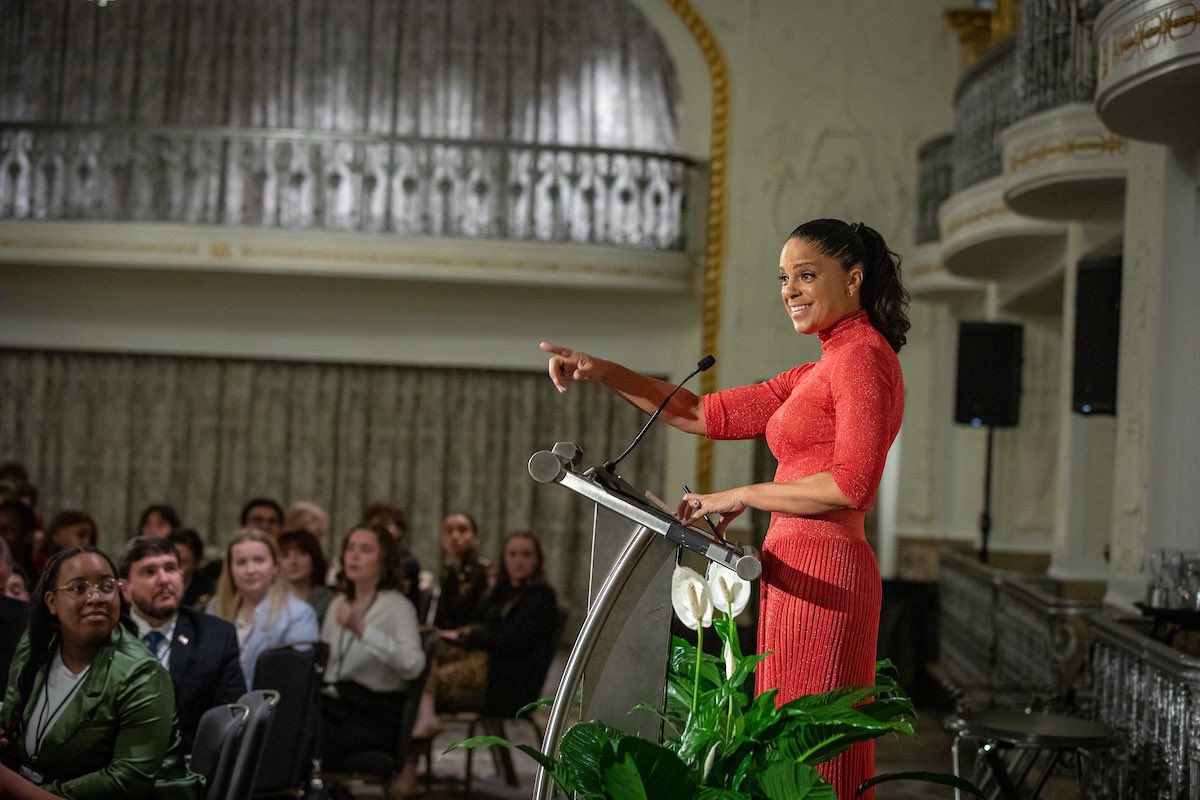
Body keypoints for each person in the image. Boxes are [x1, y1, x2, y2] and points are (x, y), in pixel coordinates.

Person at [541, 218, 908, 799]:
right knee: (785, 758)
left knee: (813, 764)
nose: (789, 290)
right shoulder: (819, 369)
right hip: (792, 573)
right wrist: (602, 370)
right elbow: (697, 413)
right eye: (783, 278)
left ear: (853, 278)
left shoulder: (862, 357)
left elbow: (851, 486)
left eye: (805, 275)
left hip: (827, 575)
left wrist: (742, 493)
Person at [0, 547, 202, 798]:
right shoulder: (35, 644)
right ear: (52, 602)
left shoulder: (143, 674)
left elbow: (126, 780)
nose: (95, 597)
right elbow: (10, 719)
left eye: (107, 586)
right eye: (79, 588)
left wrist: (19, 788)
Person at [413, 530, 559, 735]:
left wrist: (473, 634)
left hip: (505, 681)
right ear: (504, 558)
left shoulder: (541, 596)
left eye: (526, 555)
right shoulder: (502, 589)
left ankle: (422, 723)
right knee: (425, 650)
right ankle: (424, 719)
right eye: (512, 554)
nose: (518, 561)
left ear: (537, 560)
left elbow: (510, 642)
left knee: (420, 683)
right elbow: (477, 621)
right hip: (486, 663)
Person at [119, 536, 245, 750]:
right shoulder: (108, 637)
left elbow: (231, 719)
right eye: (149, 572)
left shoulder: (215, 637)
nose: (164, 579)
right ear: (125, 590)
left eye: (170, 568)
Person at [319, 525, 425, 771]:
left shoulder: (398, 607)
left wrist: (364, 631)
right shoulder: (338, 604)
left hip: (375, 715)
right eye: (350, 548)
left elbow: (413, 665)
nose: (354, 556)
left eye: (365, 550)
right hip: (336, 706)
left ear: (384, 561)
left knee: (305, 735)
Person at [207, 528, 319, 689]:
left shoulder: (299, 614)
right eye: (241, 562)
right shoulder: (216, 608)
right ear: (230, 570)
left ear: (275, 567)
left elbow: (294, 680)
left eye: (259, 560)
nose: (250, 570)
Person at [431, 512, 488, 629]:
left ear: (475, 536)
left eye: (462, 530)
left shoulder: (484, 572)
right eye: (448, 531)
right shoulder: (449, 573)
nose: (455, 536)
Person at [362, 501, 422, 612]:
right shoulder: (361, 560)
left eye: (385, 525)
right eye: (374, 527)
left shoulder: (408, 564)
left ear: (399, 530)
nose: (379, 531)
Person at [278, 528, 336, 623]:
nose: (293, 561)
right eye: (285, 556)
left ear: (314, 558)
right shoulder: (268, 601)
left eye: (301, 554)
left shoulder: (329, 601)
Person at [167, 528, 219, 609]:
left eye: (184, 562)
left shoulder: (207, 591)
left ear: (196, 563)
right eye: (172, 561)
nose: (177, 567)